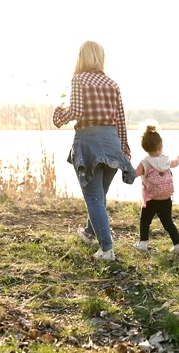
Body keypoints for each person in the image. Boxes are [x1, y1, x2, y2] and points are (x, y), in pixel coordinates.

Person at [53, 40, 135, 262]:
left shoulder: (79, 79)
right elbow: (120, 120)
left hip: (89, 143)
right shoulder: (112, 83)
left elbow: (77, 110)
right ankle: (89, 233)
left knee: (94, 197)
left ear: (82, 57)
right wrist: (124, 148)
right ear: (100, 57)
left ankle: (107, 249)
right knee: (99, 196)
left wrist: (59, 115)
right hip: (112, 144)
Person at [133, 124, 179, 255]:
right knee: (169, 223)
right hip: (166, 199)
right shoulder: (166, 161)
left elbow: (134, 174)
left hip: (151, 199)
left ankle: (143, 243)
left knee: (145, 221)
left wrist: (124, 166)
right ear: (160, 146)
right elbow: (175, 163)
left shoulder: (144, 163)